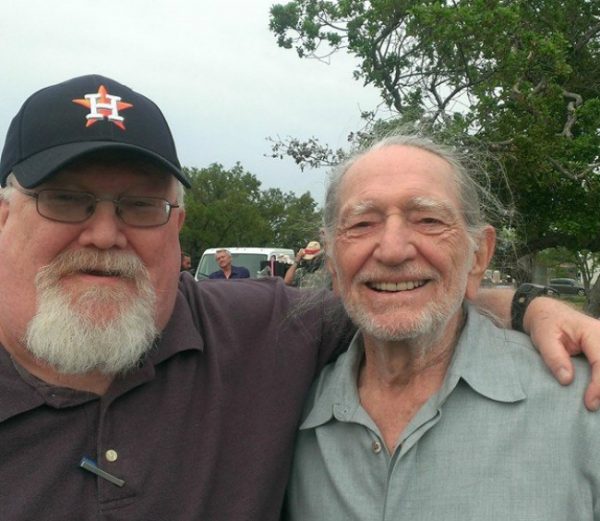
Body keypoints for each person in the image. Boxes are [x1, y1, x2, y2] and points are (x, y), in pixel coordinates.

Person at [0, 75, 599, 521]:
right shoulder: (297, 372)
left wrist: (530, 306)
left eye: (140, 206)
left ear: (176, 224)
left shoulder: (258, 331)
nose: (105, 234)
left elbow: (400, 305)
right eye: (65, 200)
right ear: (5, 216)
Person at [285, 135, 600, 520]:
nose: (393, 250)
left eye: (429, 220)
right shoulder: (287, 413)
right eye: (362, 223)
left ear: (478, 255)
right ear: (333, 261)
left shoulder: (583, 407)